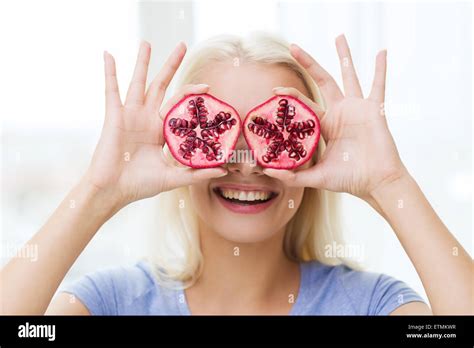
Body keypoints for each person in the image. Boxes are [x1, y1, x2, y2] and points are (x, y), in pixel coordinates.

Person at [1, 33, 471, 315]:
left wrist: (391, 185)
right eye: (217, 132)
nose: (245, 163)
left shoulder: (370, 304)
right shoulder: (111, 302)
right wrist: (98, 191)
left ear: (314, 153)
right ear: (175, 151)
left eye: (275, 132)